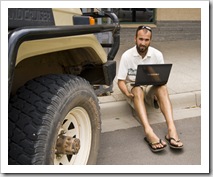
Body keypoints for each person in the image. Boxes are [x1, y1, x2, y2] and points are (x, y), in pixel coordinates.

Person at [117, 25, 183, 152]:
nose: (143, 43)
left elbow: (161, 78)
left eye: (146, 40)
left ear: (150, 40)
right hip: (134, 87)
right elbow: (120, 81)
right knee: (137, 88)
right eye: (140, 39)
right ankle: (148, 131)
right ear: (135, 38)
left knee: (162, 87)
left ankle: (171, 130)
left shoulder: (157, 54)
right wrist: (126, 93)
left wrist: (157, 94)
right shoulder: (127, 56)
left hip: (150, 87)